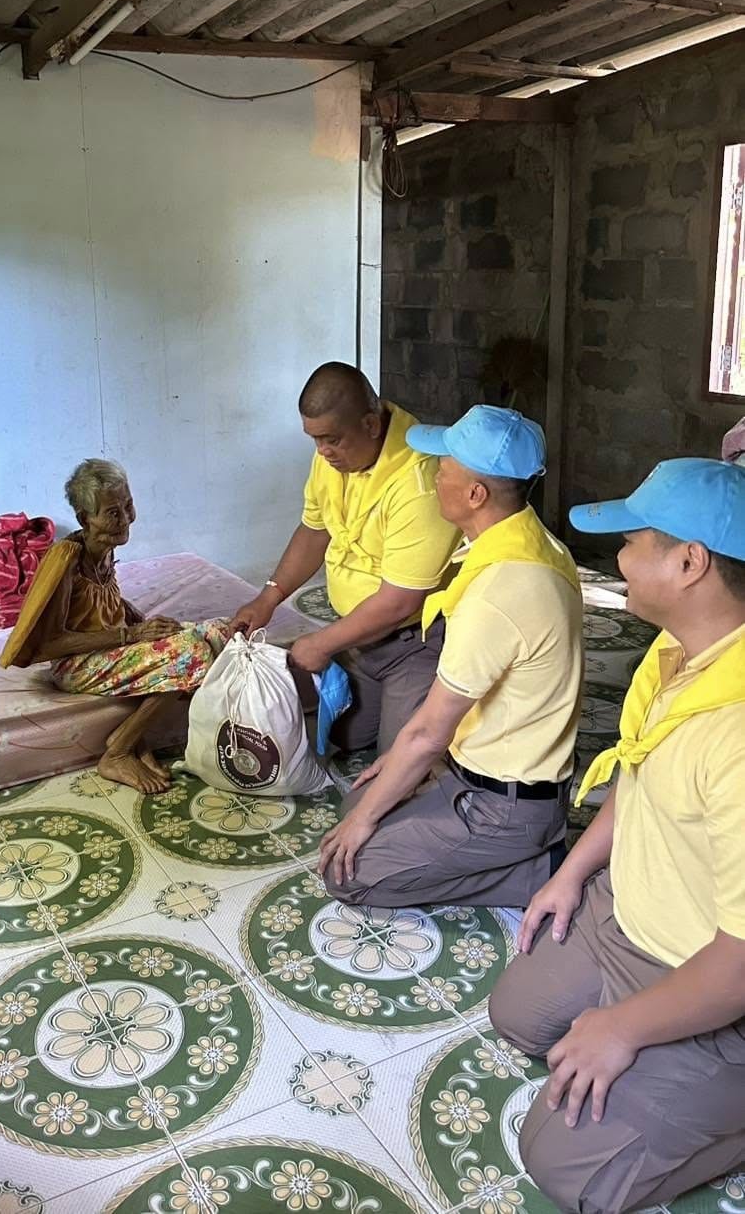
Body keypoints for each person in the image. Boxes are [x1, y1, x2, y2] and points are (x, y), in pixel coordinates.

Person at [488, 458, 745, 1214]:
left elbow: (740, 958)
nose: (619, 557)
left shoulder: (737, 734)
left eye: (632, 542)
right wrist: (572, 874)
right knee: (518, 1017)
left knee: (566, 1165)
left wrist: (624, 1026)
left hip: (712, 973)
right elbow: (637, 775)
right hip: (630, 915)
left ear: (690, 562)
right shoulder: (677, 658)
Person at [319, 406, 582, 907]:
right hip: (480, 769)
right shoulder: (532, 543)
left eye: (443, 470)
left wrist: (374, 807)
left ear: (475, 494)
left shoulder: (501, 587)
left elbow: (428, 732)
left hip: (502, 803)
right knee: (363, 801)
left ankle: (543, 872)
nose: (435, 478)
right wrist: (394, 772)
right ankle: (513, 849)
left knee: (350, 873)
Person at [232, 363, 458, 754]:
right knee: (346, 737)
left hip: (416, 639)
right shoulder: (334, 456)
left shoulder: (418, 481)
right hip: (361, 636)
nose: (322, 451)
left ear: (371, 425)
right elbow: (314, 530)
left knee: (404, 756)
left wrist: (321, 643)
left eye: (331, 439)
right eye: (315, 440)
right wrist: (268, 597)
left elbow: (400, 602)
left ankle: (442, 699)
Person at [0, 459, 228, 794]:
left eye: (128, 505)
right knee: (191, 655)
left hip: (112, 650)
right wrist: (131, 635)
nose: (126, 518)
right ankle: (118, 751)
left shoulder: (105, 549)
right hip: (76, 665)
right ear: (84, 519)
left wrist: (141, 623)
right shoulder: (67, 559)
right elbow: (48, 644)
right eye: (112, 512)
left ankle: (134, 738)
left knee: (219, 633)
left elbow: (104, 603)